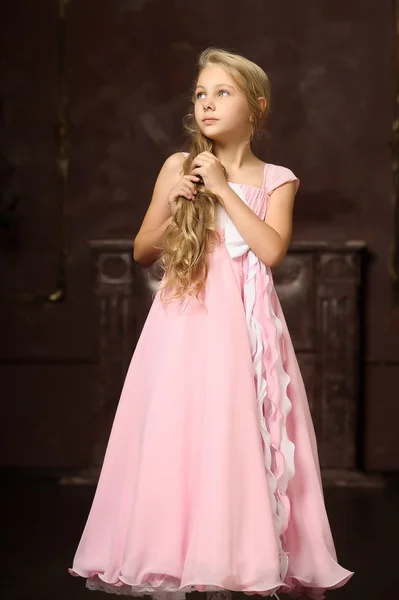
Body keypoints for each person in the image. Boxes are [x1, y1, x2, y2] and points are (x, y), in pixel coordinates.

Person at [68, 47, 354, 600]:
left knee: (238, 435)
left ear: (257, 107)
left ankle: (238, 556)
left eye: (223, 92)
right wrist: (175, 205)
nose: (207, 103)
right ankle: (173, 553)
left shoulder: (277, 179)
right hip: (185, 326)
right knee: (182, 432)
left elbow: (270, 251)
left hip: (247, 329)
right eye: (201, 93)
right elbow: (142, 251)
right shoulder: (179, 167)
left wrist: (223, 188)